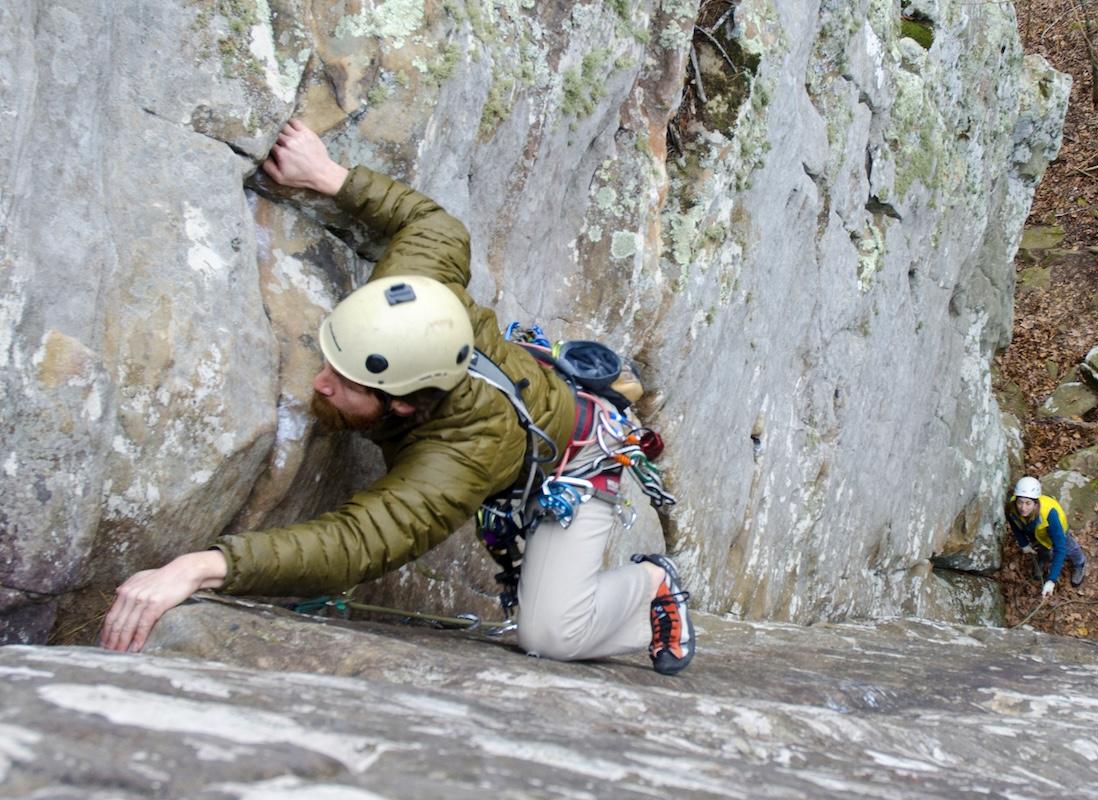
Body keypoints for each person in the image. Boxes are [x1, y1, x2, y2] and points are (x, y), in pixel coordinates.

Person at [99, 119, 695, 676]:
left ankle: (649, 589)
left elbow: (359, 543)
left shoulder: (459, 456)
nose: (319, 383)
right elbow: (436, 228)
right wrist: (329, 176)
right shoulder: (409, 294)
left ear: (404, 406)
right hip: (525, 393)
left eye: (346, 383)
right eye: (332, 361)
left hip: (579, 459)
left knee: (551, 635)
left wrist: (203, 565)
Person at [1005, 476, 1087, 597]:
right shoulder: (1012, 508)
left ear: (1035, 503)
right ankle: (1043, 559)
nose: (1023, 508)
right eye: (1020, 502)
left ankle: (1080, 563)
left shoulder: (1050, 514)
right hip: (1036, 531)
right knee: (1042, 547)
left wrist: (1051, 580)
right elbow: (1015, 525)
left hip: (1057, 529)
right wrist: (1024, 544)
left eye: (1028, 503)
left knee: (1069, 547)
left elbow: (1060, 549)